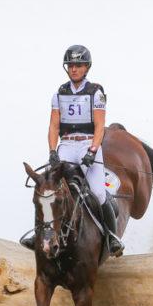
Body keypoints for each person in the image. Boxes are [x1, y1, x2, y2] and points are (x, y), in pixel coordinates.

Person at [21, 45, 125, 257]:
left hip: (88, 144)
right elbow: (53, 126)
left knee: (98, 193)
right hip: (66, 145)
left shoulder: (95, 92)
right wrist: (52, 151)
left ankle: (112, 238)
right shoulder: (60, 93)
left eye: (78, 65)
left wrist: (93, 151)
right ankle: (38, 235)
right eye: (70, 65)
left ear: (86, 67)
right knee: (48, 190)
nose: (74, 69)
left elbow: (99, 126)